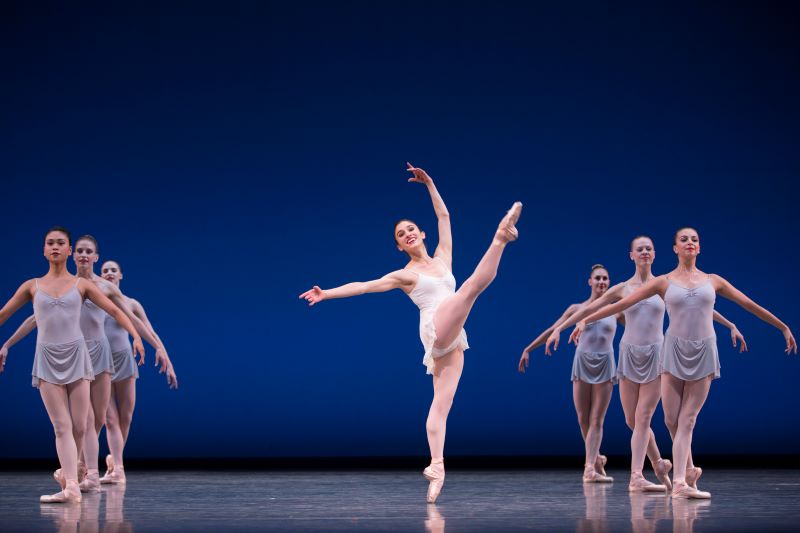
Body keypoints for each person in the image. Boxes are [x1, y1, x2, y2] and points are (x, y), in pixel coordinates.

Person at [300, 163, 522, 503]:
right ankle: (500, 239)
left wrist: (430, 184)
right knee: (468, 291)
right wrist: (326, 293)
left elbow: (445, 218)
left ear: (422, 234)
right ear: (400, 247)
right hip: (436, 326)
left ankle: (436, 465)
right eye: (401, 235)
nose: (408, 234)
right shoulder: (406, 275)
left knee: (441, 407)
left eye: (411, 229)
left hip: (454, 333)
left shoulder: (443, 257)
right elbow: (364, 286)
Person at [569, 227, 796, 498]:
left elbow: (746, 304)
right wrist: (585, 319)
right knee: (669, 419)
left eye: (695, 240)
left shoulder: (713, 281)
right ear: (675, 248)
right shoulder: (663, 282)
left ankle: (677, 482)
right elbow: (620, 304)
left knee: (686, 420)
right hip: (672, 351)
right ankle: (685, 472)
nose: (690, 243)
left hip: (703, 351)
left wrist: (781, 326)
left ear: (699, 248)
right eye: (684, 239)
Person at [542, 236, 745, 492]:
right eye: (640, 249)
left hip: (658, 355)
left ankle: (637, 476)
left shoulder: (666, 284)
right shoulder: (622, 288)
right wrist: (562, 327)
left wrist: (731, 325)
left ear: (655, 254)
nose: (645, 252)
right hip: (629, 354)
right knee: (631, 420)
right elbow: (588, 309)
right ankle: (662, 463)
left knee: (644, 416)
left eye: (649, 248)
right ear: (632, 255)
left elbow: (702, 307)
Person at [1, 236, 174, 491]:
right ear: (73, 255)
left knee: (98, 420)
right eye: (79, 250)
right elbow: (35, 319)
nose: (83, 254)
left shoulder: (104, 288)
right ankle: (87, 471)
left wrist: (158, 348)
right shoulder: (66, 286)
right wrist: (7, 343)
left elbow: (129, 317)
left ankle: (94, 468)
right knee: (88, 419)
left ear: (95, 256)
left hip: (99, 353)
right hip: (77, 351)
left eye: (88, 251)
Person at [519, 265, 621, 483]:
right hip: (583, 363)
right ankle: (595, 460)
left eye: (605, 278)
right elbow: (554, 329)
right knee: (583, 418)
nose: (602, 282)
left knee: (597, 419)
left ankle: (590, 468)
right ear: (590, 282)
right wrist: (529, 348)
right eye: (598, 278)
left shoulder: (616, 308)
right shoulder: (577, 308)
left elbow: (638, 327)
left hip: (605, 364)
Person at [99, 259, 178, 485]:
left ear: (121, 275)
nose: (109, 273)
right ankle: (118, 469)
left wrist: (166, 358)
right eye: (105, 271)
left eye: (114, 270)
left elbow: (149, 331)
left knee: (126, 417)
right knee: (110, 420)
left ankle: (114, 460)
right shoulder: (95, 299)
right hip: (101, 363)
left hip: (124, 361)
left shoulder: (131, 303)